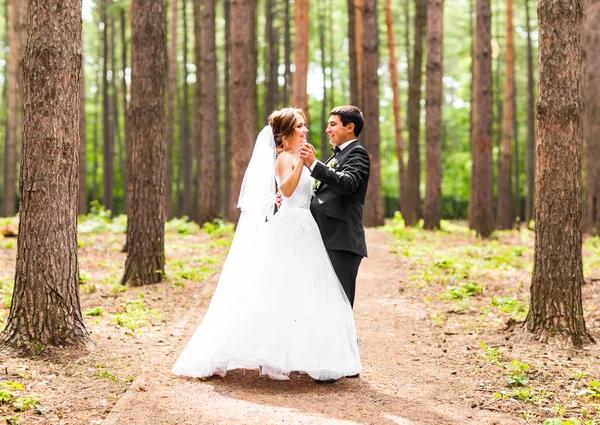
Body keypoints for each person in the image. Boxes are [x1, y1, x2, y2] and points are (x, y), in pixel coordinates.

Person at [172, 108, 361, 383]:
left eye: (304, 125)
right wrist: (303, 165)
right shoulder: (285, 158)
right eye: (300, 126)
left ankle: (299, 355)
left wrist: (306, 166)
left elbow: (298, 192)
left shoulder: (295, 157)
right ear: (285, 133)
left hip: (305, 227)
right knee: (276, 288)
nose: (305, 130)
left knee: (302, 291)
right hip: (291, 227)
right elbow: (286, 189)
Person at [298, 105, 370, 309]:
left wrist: (314, 164)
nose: (327, 130)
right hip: (327, 238)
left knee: (341, 301)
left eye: (332, 125)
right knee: (325, 300)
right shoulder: (337, 155)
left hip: (342, 240)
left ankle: (345, 342)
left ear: (350, 127)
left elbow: (347, 183)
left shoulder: (358, 154)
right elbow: (326, 194)